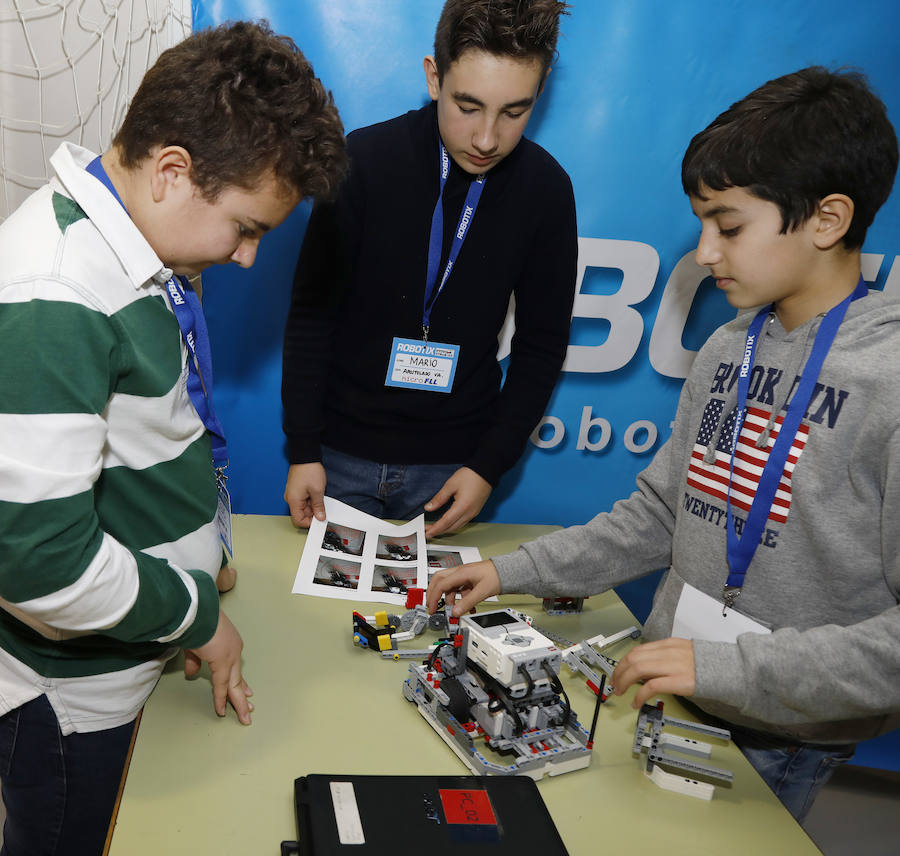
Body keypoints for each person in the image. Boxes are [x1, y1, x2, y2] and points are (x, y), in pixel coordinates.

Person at [427, 66, 899, 823]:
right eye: (702, 224)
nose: (707, 253)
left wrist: (726, 665)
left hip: (785, 731)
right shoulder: (725, 349)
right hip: (681, 697)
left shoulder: (889, 379)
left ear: (827, 218)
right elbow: (657, 517)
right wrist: (508, 570)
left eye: (729, 226)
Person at [0, 20, 345, 855]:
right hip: (69, 704)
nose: (250, 257)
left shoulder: (132, 249)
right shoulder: (57, 292)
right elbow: (39, 565)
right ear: (173, 172)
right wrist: (191, 615)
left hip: (127, 659)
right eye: (246, 227)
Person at [282, 0, 577, 538]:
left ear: (542, 87)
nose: (487, 138)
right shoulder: (363, 161)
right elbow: (311, 316)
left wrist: (489, 466)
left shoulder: (547, 191)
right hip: (338, 457)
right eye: (468, 106)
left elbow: (542, 346)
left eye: (514, 111)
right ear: (434, 76)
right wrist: (303, 448)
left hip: (456, 469)